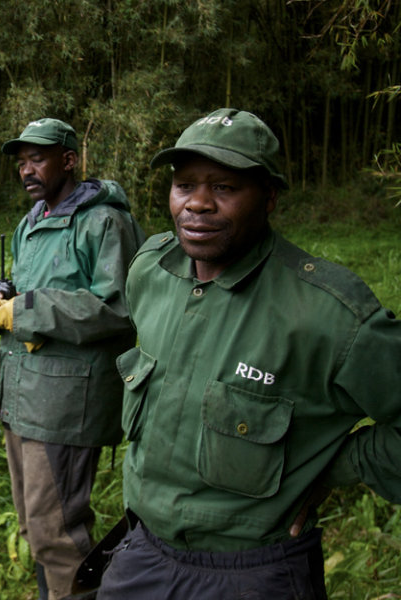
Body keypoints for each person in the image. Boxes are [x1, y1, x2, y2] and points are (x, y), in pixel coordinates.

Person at [96, 108, 401, 599]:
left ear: (270, 197)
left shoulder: (327, 315)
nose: (197, 204)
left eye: (224, 188)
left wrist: (334, 465)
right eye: (184, 185)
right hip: (141, 555)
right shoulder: (151, 271)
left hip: (252, 573)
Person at [0, 118, 145, 600]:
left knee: (58, 532)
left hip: (64, 403)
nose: (26, 170)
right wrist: (5, 299)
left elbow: (119, 308)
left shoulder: (104, 222)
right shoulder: (29, 223)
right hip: (23, 394)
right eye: (21, 162)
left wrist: (27, 309)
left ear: (69, 160)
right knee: (36, 527)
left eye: (38, 159)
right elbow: (37, 289)